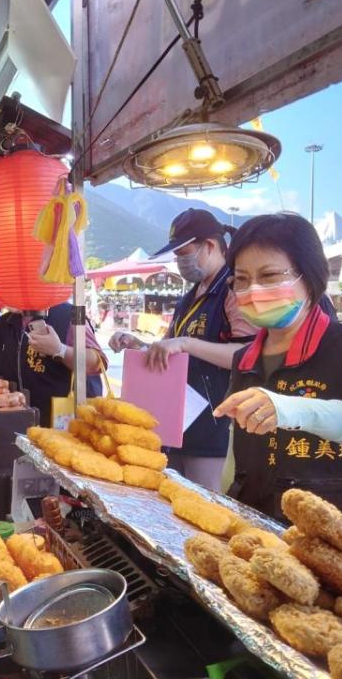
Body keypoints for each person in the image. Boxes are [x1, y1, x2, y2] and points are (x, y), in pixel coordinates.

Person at [213, 213, 342, 541]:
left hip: (338, 545)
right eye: (241, 279)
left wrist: (292, 410)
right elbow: (236, 453)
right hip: (257, 538)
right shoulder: (244, 359)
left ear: (310, 276)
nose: (253, 290)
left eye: (269, 275)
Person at [109, 209, 257, 490]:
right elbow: (169, 348)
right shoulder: (189, 296)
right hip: (175, 426)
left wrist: (186, 344)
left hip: (213, 432)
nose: (179, 262)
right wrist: (139, 345)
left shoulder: (233, 290)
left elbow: (246, 356)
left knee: (205, 512)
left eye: (183, 253)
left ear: (210, 246)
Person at [0, 303, 107, 427]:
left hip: (65, 424)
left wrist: (60, 350)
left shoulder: (74, 313)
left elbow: (98, 361)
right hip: (19, 423)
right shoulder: (2, 322)